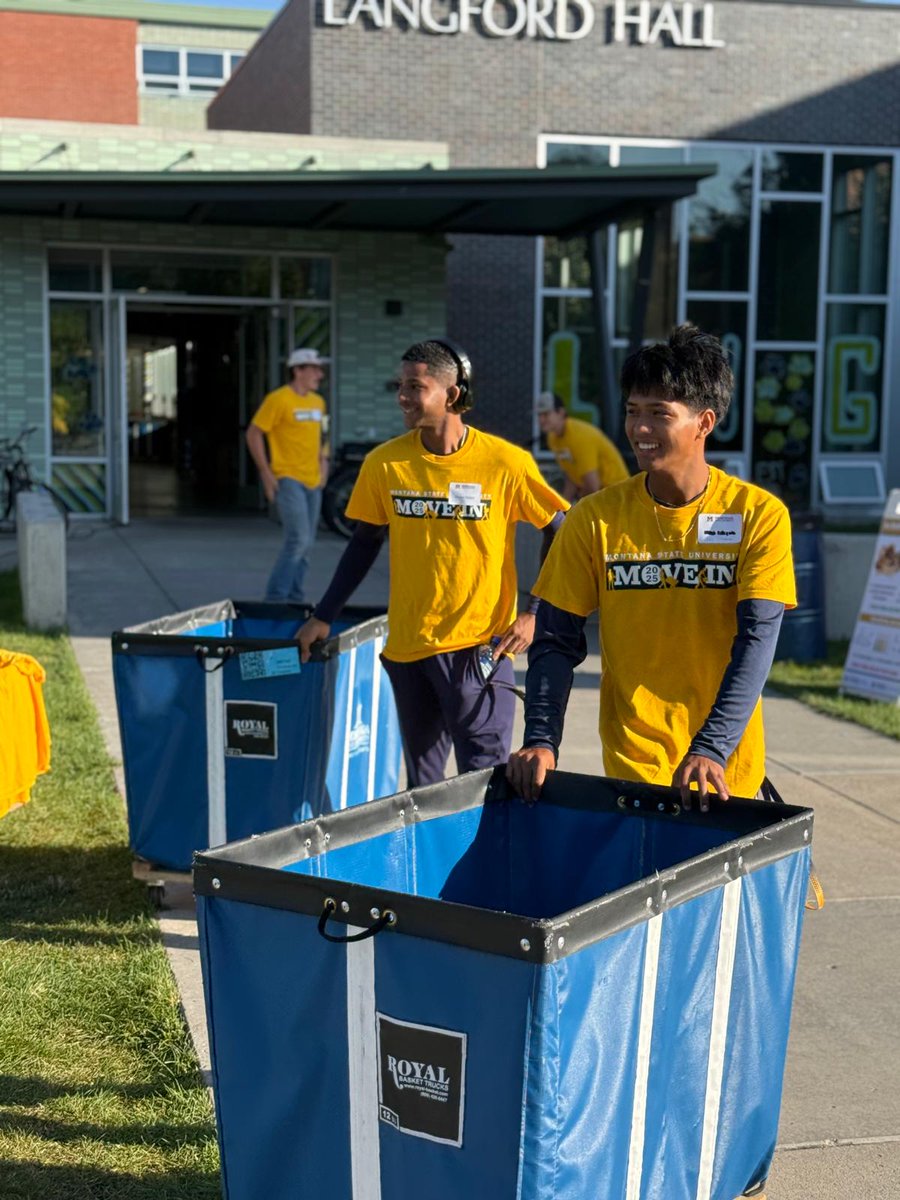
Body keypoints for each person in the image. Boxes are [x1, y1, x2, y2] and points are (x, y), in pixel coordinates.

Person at [508, 324, 797, 812]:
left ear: (704, 422)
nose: (640, 429)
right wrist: (541, 738)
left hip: (724, 773)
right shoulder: (593, 519)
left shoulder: (757, 516)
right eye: (632, 411)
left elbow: (756, 639)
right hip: (632, 770)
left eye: (659, 414)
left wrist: (711, 747)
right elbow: (556, 640)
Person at [297, 338, 568, 787]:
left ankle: (486, 860)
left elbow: (562, 531)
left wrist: (535, 613)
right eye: (400, 385)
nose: (403, 396)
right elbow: (363, 544)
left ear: (452, 394)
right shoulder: (385, 464)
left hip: (479, 648)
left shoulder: (505, 463)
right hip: (408, 650)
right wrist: (323, 616)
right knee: (422, 789)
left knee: (484, 785)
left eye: (415, 386)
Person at [246, 348, 330, 603]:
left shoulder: (318, 402)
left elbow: (322, 435)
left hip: (313, 480)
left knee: (307, 545)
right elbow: (253, 433)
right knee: (298, 539)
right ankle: (275, 599)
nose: (319, 373)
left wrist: (324, 464)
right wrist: (265, 472)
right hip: (288, 478)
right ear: (298, 370)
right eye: (314, 368)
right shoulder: (278, 399)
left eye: (319, 368)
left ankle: (294, 598)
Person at [535, 391, 629, 500]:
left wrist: (576, 509)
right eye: (539, 414)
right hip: (602, 495)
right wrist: (564, 508)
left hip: (618, 495)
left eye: (546, 414)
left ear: (561, 413)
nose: (541, 420)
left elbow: (592, 486)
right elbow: (572, 477)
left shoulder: (579, 436)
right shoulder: (552, 438)